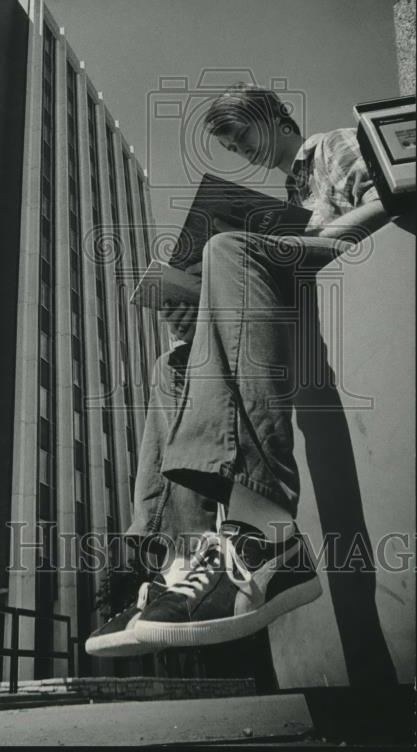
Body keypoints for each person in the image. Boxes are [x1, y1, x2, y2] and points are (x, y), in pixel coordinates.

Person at [88, 82, 390, 655]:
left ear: (272, 117)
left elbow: (391, 199)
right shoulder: (289, 189)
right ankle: (179, 558)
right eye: (228, 147)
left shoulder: (331, 147)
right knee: (173, 362)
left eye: (241, 136)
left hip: (335, 274)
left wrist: (305, 239)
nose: (239, 151)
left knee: (227, 248)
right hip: (290, 303)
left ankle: (268, 532)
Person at [85, 301, 219, 658]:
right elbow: (181, 284)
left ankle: (185, 554)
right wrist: (181, 323)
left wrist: (206, 318)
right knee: (170, 365)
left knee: (177, 365)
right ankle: (176, 558)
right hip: (211, 336)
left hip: (248, 319)